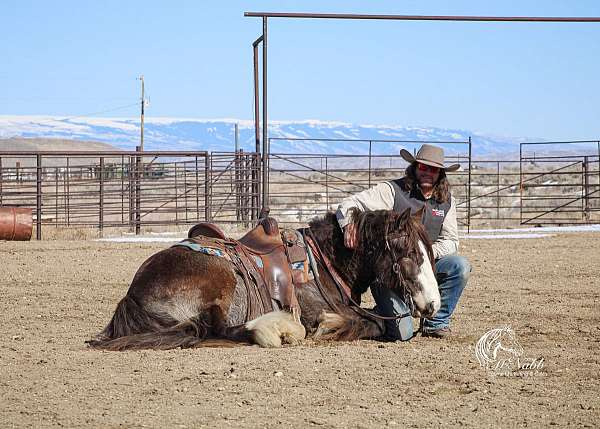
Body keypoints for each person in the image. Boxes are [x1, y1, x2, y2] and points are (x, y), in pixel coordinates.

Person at [336, 144, 471, 340]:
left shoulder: (447, 202)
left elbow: (450, 240)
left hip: (424, 266)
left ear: (440, 174)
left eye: (433, 169)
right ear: (415, 167)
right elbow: (350, 204)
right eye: (423, 167)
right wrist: (348, 224)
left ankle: (436, 323)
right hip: (391, 270)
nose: (427, 172)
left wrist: (422, 253)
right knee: (403, 334)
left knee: (460, 266)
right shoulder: (393, 191)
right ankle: (375, 315)